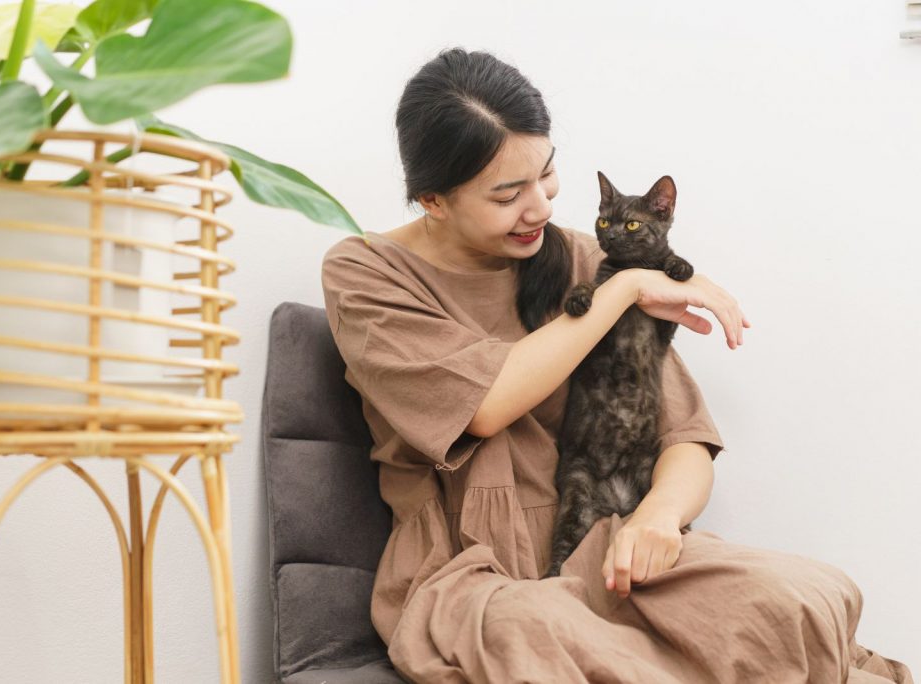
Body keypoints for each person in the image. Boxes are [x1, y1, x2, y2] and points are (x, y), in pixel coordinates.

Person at [320, 47, 913, 683]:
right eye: (507, 194)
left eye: (547, 175)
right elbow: (488, 405)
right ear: (434, 200)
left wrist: (658, 517)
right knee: (544, 641)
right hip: (477, 568)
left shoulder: (585, 258)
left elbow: (683, 438)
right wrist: (626, 289)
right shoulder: (365, 274)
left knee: (797, 599)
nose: (542, 207)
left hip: (611, 542)